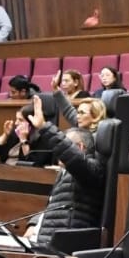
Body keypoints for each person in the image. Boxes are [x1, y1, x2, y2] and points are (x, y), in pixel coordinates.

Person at [26, 97, 108, 238]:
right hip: (46, 237)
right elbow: (55, 205)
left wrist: (44, 127)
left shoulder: (91, 169)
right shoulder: (65, 172)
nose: (59, 154)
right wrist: (34, 223)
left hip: (64, 241)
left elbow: (72, 156)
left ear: (79, 147)